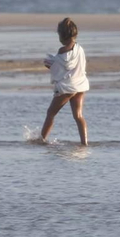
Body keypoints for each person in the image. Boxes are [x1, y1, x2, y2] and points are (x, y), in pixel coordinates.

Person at [39, 17, 90, 145]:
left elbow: (60, 68)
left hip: (67, 87)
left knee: (51, 113)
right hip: (80, 85)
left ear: (62, 36)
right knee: (78, 116)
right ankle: (85, 143)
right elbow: (76, 66)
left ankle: (42, 140)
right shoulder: (80, 49)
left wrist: (49, 64)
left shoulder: (62, 51)